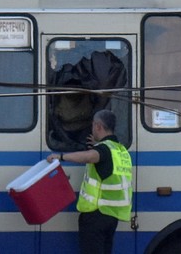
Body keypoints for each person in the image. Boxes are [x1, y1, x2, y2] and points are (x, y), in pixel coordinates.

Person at [47, 109, 132, 254]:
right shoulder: (121, 150)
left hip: (96, 214)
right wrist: (98, 144)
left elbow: (90, 157)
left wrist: (61, 157)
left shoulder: (103, 150)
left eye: (93, 126)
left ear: (98, 126)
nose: (92, 129)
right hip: (112, 216)